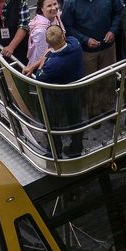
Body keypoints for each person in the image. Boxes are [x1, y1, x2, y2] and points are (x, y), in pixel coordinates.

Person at [60, 0, 122, 116]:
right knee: (91, 83)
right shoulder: (71, 2)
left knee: (109, 79)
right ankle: (94, 112)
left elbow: (119, 13)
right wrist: (85, 40)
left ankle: (109, 110)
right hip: (87, 52)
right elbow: (67, 27)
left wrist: (113, 30)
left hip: (108, 48)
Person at [35, 24, 85, 157]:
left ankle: (55, 151)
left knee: (52, 123)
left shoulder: (52, 65)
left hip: (56, 95)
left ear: (47, 43)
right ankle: (76, 148)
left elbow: (39, 77)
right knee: (76, 119)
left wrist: (44, 59)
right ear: (63, 35)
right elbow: (70, 40)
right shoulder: (75, 45)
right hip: (75, 90)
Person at [24, 0, 63, 73]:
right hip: (43, 66)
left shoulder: (56, 16)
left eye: (55, 4)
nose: (54, 8)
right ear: (42, 9)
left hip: (55, 58)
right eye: (49, 6)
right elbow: (42, 56)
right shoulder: (41, 31)